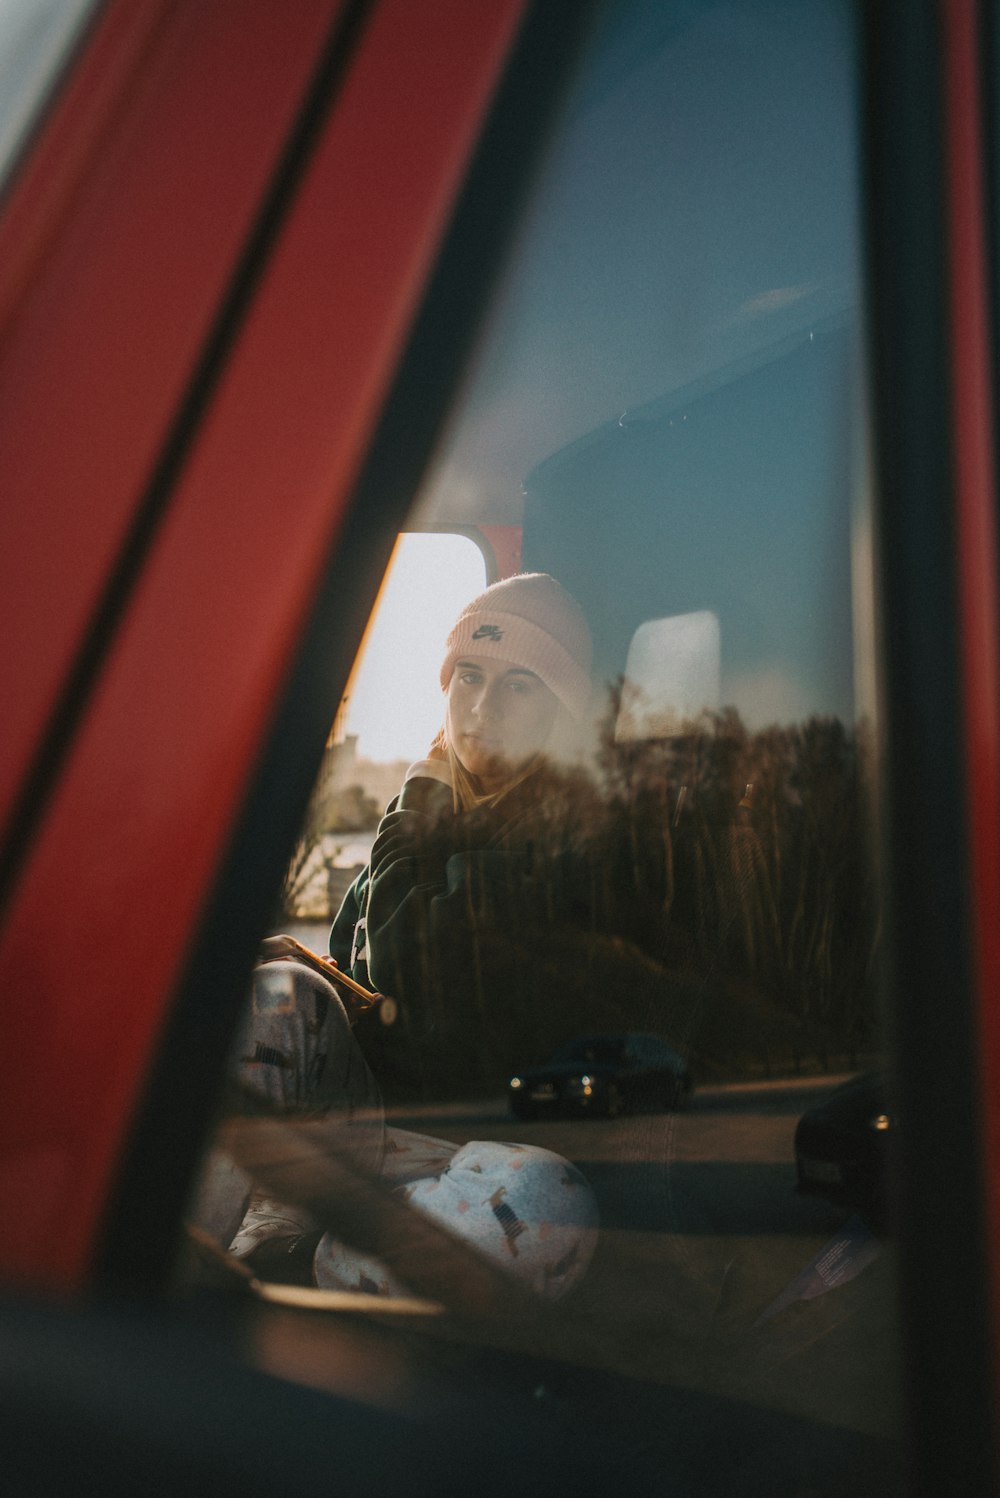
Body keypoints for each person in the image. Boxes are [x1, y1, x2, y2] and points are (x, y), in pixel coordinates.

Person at [193, 574, 603, 1304]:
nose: (480, 708)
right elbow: (370, 968)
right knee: (279, 996)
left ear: (563, 706)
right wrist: (320, 978)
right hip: (379, 1129)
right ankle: (173, 1268)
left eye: (519, 686)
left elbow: (420, 969)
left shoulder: (564, 837)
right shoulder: (437, 809)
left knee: (540, 1200)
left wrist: (415, 801)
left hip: (484, 1152)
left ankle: (302, 1269)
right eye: (468, 676)